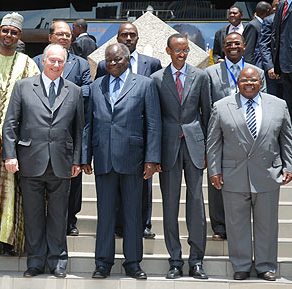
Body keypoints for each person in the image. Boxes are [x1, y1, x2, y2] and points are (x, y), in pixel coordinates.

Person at [2, 43, 84, 278]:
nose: (56, 65)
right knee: (33, 215)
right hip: (30, 160)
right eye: (52, 60)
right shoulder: (23, 87)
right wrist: (10, 155)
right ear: (43, 61)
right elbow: (10, 124)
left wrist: (77, 159)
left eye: (61, 61)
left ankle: (58, 261)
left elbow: (79, 130)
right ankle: (36, 261)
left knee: (59, 216)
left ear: (66, 63)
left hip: (62, 162)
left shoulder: (74, 90)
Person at [82, 43, 161, 279]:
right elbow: (89, 123)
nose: (112, 64)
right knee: (105, 213)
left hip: (133, 160)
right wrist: (86, 156)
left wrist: (152, 159)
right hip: (104, 158)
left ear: (127, 60)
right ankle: (103, 263)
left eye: (116, 59)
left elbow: (153, 124)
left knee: (133, 213)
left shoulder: (145, 84)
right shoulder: (97, 86)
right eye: (108, 60)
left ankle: (133, 262)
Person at [207, 67, 292, 281]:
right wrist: (214, 170)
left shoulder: (279, 105)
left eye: (253, 80)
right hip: (233, 173)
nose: (248, 83)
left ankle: (266, 265)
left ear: (260, 81)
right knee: (237, 224)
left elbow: (287, 139)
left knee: (267, 223)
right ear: (238, 82)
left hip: (267, 172)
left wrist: (289, 166)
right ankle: (242, 265)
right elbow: (213, 142)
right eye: (244, 80)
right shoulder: (221, 106)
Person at [151, 33, 211, 280]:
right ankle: (175, 260)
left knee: (196, 204)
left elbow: (207, 115)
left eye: (185, 50)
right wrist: (152, 155)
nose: (182, 54)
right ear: (168, 51)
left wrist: (209, 150)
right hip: (168, 149)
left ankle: (196, 260)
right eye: (178, 50)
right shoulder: (156, 79)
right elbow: (154, 120)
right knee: (170, 206)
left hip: (195, 146)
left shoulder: (201, 76)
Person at [96, 23, 162, 239]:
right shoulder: (104, 66)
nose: (128, 38)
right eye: (124, 35)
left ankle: (144, 225)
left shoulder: (151, 64)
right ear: (117, 38)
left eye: (132, 34)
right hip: (112, 142)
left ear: (138, 38)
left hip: (138, 141)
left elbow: (154, 108)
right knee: (112, 195)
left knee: (142, 192)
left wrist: (152, 153)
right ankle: (117, 226)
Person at [205, 32, 266, 241]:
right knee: (217, 180)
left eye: (237, 43)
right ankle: (220, 226)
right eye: (228, 43)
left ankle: (244, 224)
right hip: (220, 134)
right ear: (223, 46)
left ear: (244, 46)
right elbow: (205, 105)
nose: (232, 46)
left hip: (249, 137)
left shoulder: (257, 72)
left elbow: (264, 104)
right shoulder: (210, 73)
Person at [33, 20, 92, 236]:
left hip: (69, 129)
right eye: (60, 34)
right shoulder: (37, 61)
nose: (65, 37)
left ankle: (70, 220)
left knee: (72, 183)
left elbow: (87, 91)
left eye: (68, 35)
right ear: (50, 37)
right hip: (40, 133)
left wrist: (66, 95)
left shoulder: (81, 64)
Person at [0, 12, 40, 255]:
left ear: (19, 35)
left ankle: (9, 241)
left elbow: (34, 104)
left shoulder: (28, 64)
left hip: (14, 140)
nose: (8, 35)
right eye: (5, 30)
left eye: (13, 32)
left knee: (11, 190)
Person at [256, 0, 282, 98]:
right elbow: (263, 45)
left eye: (278, 6)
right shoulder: (269, 20)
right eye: (274, 6)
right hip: (273, 71)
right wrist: (270, 66)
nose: (275, 9)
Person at [272, 0, 292, 120]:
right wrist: (276, 64)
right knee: (288, 103)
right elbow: (276, 34)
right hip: (284, 63)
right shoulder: (281, 5)